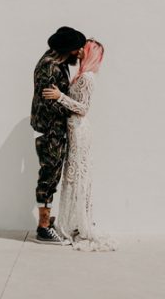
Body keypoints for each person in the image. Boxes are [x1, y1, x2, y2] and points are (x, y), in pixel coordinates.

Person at [42, 39, 118, 251]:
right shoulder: (81, 75)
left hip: (79, 129)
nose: (81, 50)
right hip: (73, 128)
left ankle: (78, 223)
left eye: (85, 48)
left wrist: (60, 97)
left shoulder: (87, 78)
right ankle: (71, 221)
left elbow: (83, 108)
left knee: (77, 175)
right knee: (72, 174)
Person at [31, 26, 86, 244]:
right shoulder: (49, 67)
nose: (79, 52)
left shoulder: (60, 64)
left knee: (53, 175)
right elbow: (50, 102)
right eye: (77, 49)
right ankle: (43, 228)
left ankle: (46, 221)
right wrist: (73, 106)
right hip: (49, 130)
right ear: (67, 49)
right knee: (49, 176)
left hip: (56, 129)